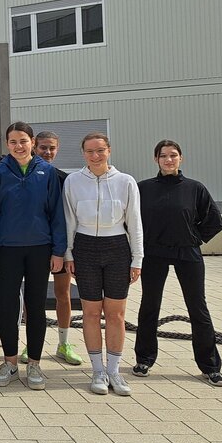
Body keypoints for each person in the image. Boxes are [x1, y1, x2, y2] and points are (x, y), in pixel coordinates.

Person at [134, 140, 222, 387]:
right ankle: (144, 359)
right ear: (156, 159)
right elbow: (131, 221)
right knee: (150, 306)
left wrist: (196, 238)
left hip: (188, 253)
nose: (168, 159)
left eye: (173, 155)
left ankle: (210, 366)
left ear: (180, 158)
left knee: (198, 308)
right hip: (154, 253)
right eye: (163, 156)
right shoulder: (143, 188)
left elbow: (215, 221)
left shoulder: (195, 188)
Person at [0, 122, 66, 391]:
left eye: (23, 141)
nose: (18, 146)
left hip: (39, 249)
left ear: (32, 142)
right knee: (7, 306)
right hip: (7, 250)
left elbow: (57, 214)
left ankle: (34, 363)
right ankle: (9, 362)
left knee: (36, 307)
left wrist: (58, 251)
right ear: (6, 144)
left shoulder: (47, 172)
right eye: (12, 142)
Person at [63, 132, 143, 396]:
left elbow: (134, 222)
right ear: (83, 153)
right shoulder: (73, 181)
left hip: (118, 248)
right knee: (91, 312)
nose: (95, 156)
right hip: (85, 248)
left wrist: (137, 258)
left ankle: (114, 371)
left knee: (116, 314)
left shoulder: (126, 181)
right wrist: (69, 254)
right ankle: (97, 369)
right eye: (89, 151)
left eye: (100, 150)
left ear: (109, 150)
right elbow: (69, 220)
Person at [34, 130, 83, 366]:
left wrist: (66, 249)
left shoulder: (66, 179)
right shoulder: (30, 176)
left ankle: (63, 343)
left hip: (60, 246)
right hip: (35, 245)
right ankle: (32, 345)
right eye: (43, 147)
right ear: (34, 147)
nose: (47, 152)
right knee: (34, 298)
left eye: (52, 148)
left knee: (63, 294)